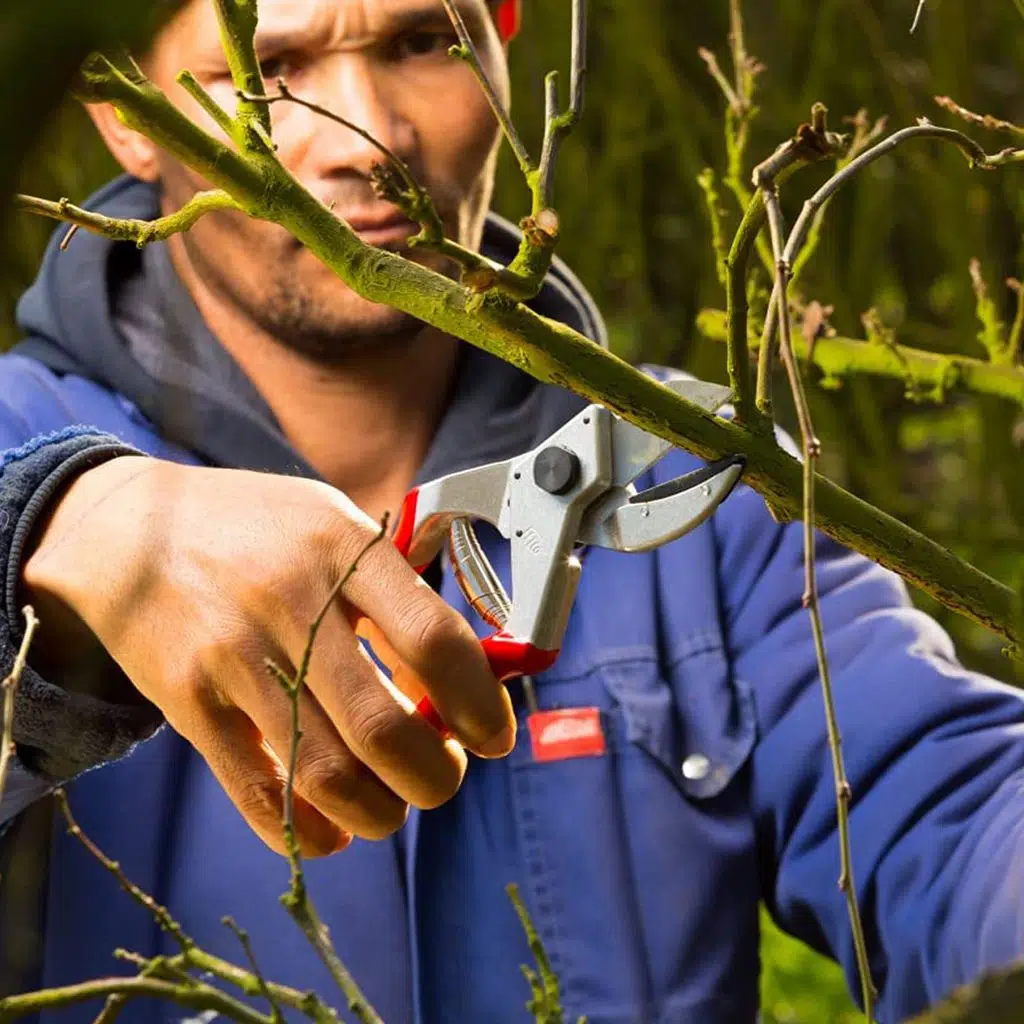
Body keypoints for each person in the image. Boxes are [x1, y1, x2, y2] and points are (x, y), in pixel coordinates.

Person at [1, 1, 1023, 1021]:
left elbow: (947, 799)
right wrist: (53, 534)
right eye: (268, 68)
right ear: (127, 114)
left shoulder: (700, 490)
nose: (372, 136)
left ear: (501, 54)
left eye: (422, 43)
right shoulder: (21, 439)